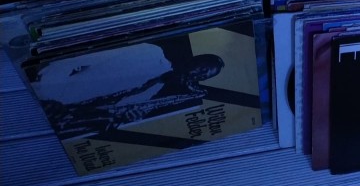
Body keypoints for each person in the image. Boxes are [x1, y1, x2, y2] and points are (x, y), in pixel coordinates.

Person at [31, 43, 224, 138]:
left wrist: (128, 118)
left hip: (60, 118)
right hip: (44, 95)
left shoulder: (156, 91)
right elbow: (78, 59)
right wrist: (47, 90)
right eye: (201, 69)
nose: (197, 76)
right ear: (194, 59)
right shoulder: (149, 52)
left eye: (203, 77)